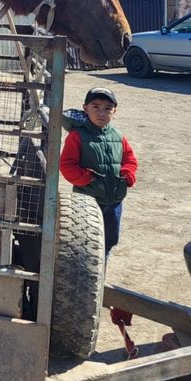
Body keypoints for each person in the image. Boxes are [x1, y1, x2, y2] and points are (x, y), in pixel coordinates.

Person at [59, 86, 138, 259]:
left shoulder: (117, 136)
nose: (101, 113)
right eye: (96, 107)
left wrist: (127, 175)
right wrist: (88, 179)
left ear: (114, 111)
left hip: (114, 201)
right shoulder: (77, 135)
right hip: (87, 201)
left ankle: (101, 270)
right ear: (85, 108)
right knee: (85, 242)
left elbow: (130, 159)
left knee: (107, 243)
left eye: (108, 108)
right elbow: (67, 165)